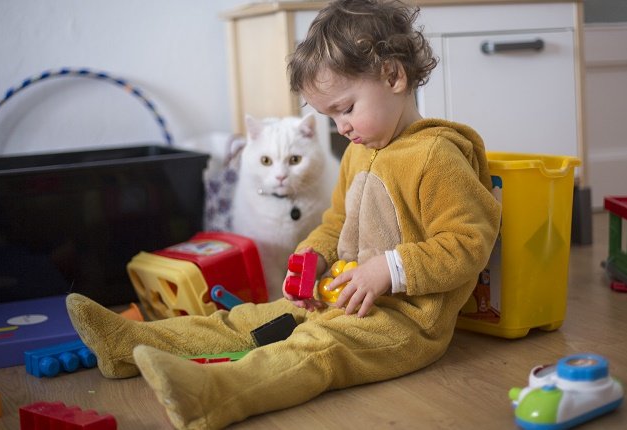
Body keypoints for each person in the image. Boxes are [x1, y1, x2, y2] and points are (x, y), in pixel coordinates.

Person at [65, 1, 501, 429]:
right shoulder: (360, 152)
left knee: (316, 348)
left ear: (393, 76)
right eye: (330, 116)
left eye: (346, 109)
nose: (341, 128)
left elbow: (470, 242)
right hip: (335, 299)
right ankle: (128, 343)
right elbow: (335, 224)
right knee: (247, 319)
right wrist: (309, 262)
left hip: (402, 322)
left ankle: (213, 392)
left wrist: (386, 270)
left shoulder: (437, 155)